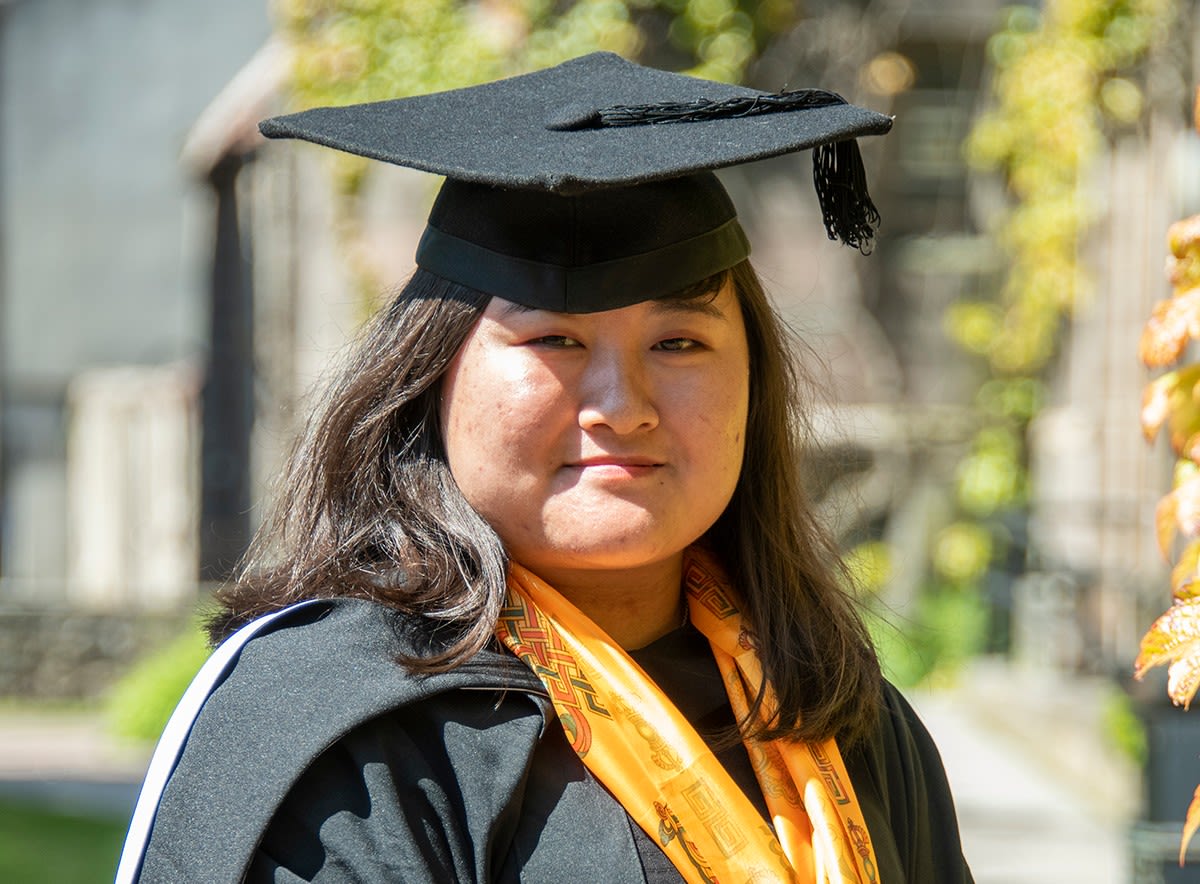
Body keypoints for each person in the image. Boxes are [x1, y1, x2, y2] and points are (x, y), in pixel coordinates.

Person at [117, 52, 974, 883]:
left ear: (754, 381)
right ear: (429, 377)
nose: (623, 403)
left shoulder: (838, 725)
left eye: (680, 342)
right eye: (553, 340)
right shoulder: (334, 736)